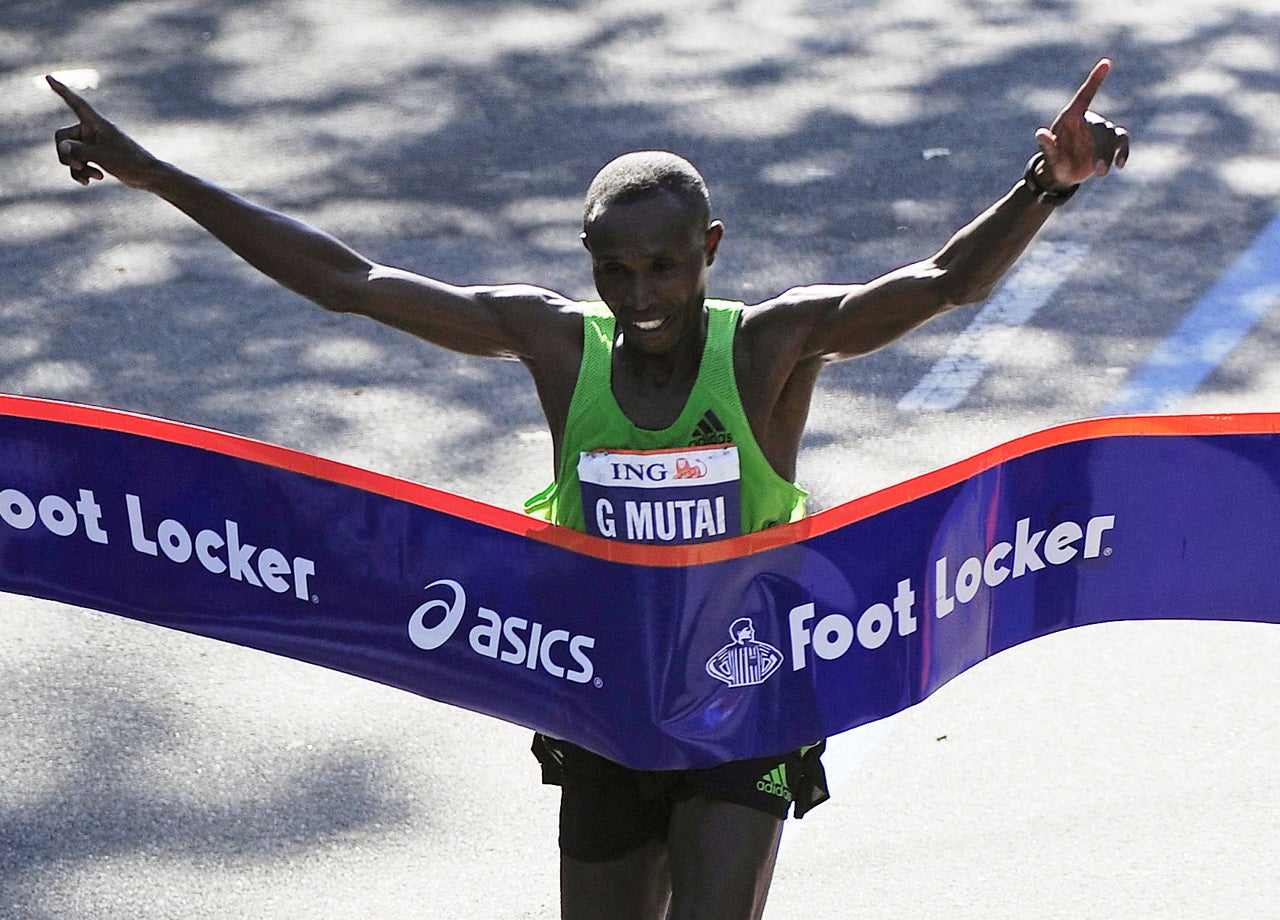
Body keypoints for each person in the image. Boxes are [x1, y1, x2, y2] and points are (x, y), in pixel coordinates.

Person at [49, 58, 1129, 920]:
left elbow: (941, 285)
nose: (642, 292)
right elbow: (351, 283)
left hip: (740, 703)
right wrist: (162, 178)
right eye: (616, 270)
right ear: (589, 262)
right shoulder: (557, 347)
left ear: (707, 248)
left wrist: (1045, 184)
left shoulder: (764, 347)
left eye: (664, 266)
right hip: (604, 706)